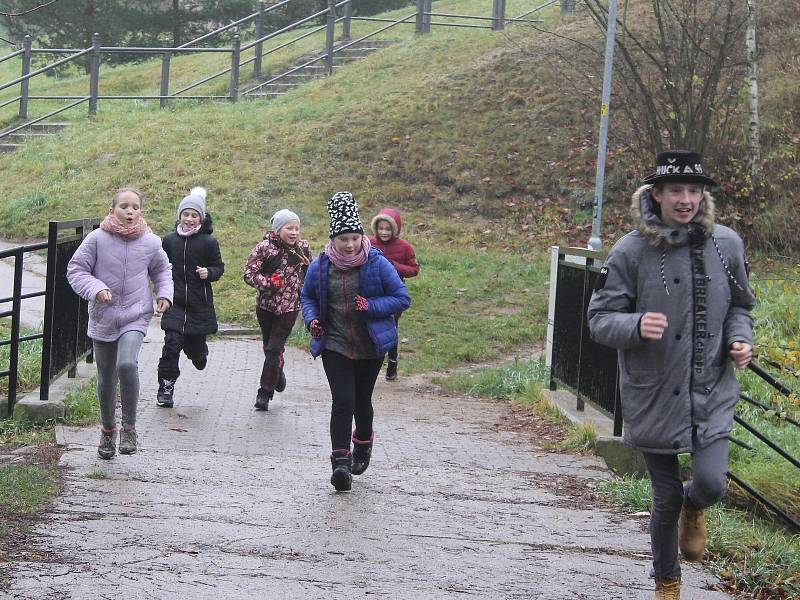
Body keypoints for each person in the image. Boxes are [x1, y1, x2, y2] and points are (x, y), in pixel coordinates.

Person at [587, 150, 755, 600]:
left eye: (694, 191)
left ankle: (695, 505)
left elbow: (741, 305)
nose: (686, 200)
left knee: (710, 482)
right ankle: (667, 583)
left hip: (712, 387)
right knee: (664, 499)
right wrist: (636, 324)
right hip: (654, 391)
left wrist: (740, 340)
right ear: (656, 194)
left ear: (703, 196)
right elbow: (599, 319)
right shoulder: (631, 250)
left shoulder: (727, 244)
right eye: (676, 191)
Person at [301, 192, 411, 492]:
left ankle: (362, 442)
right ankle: (340, 463)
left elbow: (402, 298)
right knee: (343, 400)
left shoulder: (377, 264)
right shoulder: (321, 266)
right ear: (333, 239)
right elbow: (307, 296)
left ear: (361, 236)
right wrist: (311, 319)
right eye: (343, 239)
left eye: (353, 238)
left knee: (361, 401)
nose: (349, 245)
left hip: (370, 346)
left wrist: (371, 306)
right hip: (335, 344)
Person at [67, 187, 173, 459]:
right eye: (124, 206)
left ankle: (129, 426)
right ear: (112, 209)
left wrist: (164, 294)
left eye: (134, 207)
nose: (129, 211)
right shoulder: (97, 239)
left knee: (126, 363)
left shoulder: (151, 242)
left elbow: (162, 270)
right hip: (104, 314)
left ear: (141, 212)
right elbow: (76, 270)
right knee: (106, 376)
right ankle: (107, 431)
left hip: (136, 313)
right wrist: (95, 289)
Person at [156, 186, 225, 408]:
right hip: (174, 303)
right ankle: (166, 387)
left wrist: (209, 272)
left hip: (198, 304)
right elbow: (159, 268)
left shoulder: (208, 243)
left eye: (194, 215)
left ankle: (199, 353)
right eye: (185, 214)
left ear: (201, 219)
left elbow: (219, 267)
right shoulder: (169, 241)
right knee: (172, 344)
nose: (189, 219)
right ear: (179, 216)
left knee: (195, 348)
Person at [244, 209, 311, 411]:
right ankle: (277, 372)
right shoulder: (265, 248)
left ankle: (264, 393)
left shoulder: (303, 249)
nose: (294, 232)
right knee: (270, 348)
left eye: (297, 228)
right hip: (265, 307)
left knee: (274, 348)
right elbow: (249, 274)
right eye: (289, 228)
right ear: (277, 229)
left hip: (290, 307)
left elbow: (310, 271)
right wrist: (267, 283)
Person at [369, 207, 419, 381]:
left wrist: (392, 265)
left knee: (390, 328)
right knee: (372, 327)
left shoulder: (404, 247)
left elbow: (414, 270)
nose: (384, 232)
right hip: (372, 291)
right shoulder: (368, 242)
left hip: (393, 293)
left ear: (395, 229)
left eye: (388, 229)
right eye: (380, 228)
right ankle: (370, 364)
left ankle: (392, 362)